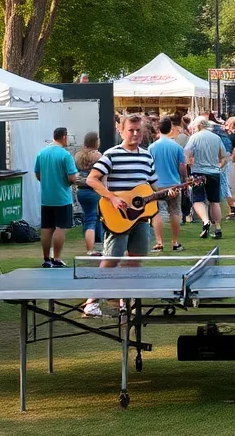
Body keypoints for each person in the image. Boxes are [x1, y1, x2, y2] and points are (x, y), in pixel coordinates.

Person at [84, 114, 169, 316]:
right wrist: (112, 198)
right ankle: (91, 302)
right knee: (111, 259)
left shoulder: (147, 156)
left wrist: (169, 193)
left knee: (135, 260)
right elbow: (92, 180)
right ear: (121, 131)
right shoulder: (111, 154)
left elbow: (154, 187)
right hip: (118, 217)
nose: (135, 134)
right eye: (131, 130)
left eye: (138, 130)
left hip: (140, 218)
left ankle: (126, 301)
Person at [34, 126, 80, 268]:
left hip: (47, 197)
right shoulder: (65, 155)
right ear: (64, 136)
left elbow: (37, 174)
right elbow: (72, 177)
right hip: (62, 198)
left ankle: (46, 258)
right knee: (61, 227)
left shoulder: (42, 153)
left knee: (46, 228)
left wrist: (48, 181)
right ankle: (57, 258)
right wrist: (76, 179)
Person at [148, 118, 188, 253]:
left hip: (157, 185)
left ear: (158, 129)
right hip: (174, 184)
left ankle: (159, 242)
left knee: (156, 213)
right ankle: (175, 242)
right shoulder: (176, 147)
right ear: (171, 129)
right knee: (175, 212)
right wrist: (185, 180)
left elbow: (149, 166)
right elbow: (182, 166)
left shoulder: (152, 147)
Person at [185, 118, 228, 240]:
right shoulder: (216, 138)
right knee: (214, 201)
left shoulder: (194, 138)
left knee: (197, 199)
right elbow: (224, 156)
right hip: (214, 172)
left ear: (197, 126)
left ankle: (205, 221)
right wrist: (219, 166)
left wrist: (190, 164)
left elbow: (187, 154)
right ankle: (218, 228)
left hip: (198, 172)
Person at [73, 132, 104, 255]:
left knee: (89, 216)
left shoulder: (78, 155)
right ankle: (91, 249)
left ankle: (95, 244)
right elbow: (103, 173)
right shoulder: (98, 156)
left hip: (81, 190)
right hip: (94, 190)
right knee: (92, 218)